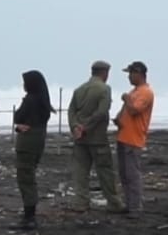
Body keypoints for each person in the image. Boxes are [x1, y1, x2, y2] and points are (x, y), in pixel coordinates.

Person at [66, 61, 124, 213]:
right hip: (97, 138)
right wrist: (86, 127)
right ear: (105, 73)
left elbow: (71, 111)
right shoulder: (104, 89)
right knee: (105, 171)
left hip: (80, 138)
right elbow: (102, 112)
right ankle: (113, 202)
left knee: (80, 171)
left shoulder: (79, 89)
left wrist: (75, 127)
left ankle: (81, 202)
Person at [12, 70, 53, 229]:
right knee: (29, 174)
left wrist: (19, 126)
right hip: (38, 139)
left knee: (25, 177)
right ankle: (30, 213)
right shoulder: (43, 101)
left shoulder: (30, 99)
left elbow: (18, 116)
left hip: (27, 142)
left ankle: (29, 216)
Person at [116, 61, 154, 217]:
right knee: (124, 174)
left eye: (131, 74)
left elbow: (134, 110)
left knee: (132, 174)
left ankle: (136, 207)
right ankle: (130, 204)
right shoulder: (134, 91)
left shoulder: (145, 92)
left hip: (134, 139)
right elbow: (126, 112)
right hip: (124, 136)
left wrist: (126, 100)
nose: (129, 77)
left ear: (139, 74)